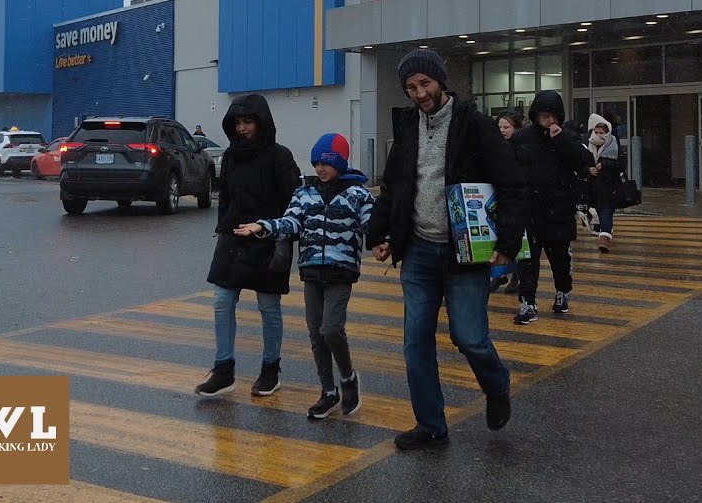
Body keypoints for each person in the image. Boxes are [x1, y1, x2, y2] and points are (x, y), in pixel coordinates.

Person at [367, 49, 527, 451]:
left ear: (441, 81)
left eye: (425, 83)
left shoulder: (475, 124)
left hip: (465, 253)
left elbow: (511, 184)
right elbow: (393, 186)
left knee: (469, 338)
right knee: (415, 343)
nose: (419, 93)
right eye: (411, 87)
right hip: (418, 250)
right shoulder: (407, 127)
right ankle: (431, 425)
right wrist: (379, 233)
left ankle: (497, 384)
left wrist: (508, 244)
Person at [234, 132, 373, 420]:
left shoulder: (358, 194)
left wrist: (383, 242)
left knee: (331, 329)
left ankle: (348, 377)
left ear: (341, 163)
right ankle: (328, 391)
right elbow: (291, 222)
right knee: (316, 334)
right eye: (317, 162)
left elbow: (373, 224)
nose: (321, 168)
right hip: (311, 271)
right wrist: (263, 226)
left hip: (341, 271)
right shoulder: (304, 193)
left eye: (327, 163)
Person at [196, 94, 301, 398]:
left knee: (268, 307)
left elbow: (295, 203)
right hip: (233, 239)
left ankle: (270, 369)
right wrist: (223, 227)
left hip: (267, 239)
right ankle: (223, 370)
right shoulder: (230, 156)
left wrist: (278, 233)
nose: (241, 128)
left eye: (248, 122)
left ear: (261, 123)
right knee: (222, 301)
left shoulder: (280, 157)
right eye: (237, 123)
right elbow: (225, 197)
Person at [511, 91, 593, 324]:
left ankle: (562, 292)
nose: (550, 121)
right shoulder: (521, 138)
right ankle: (528, 303)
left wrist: (562, 139)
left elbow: (585, 161)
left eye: (554, 116)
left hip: (560, 209)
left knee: (560, 259)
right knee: (527, 260)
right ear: (536, 116)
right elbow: (509, 168)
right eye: (545, 116)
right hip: (529, 210)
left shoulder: (568, 137)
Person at [492, 110, 528, 295]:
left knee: (518, 240)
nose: (502, 130)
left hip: (520, 202)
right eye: (499, 127)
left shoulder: (523, 148)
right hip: (498, 201)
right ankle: (499, 275)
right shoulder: (493, 148)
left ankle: (515, 277)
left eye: (506, 127)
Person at [587, 113, 621, 254]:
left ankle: (604, 239)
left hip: (609, 185)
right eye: (596, 132)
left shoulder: (613, 143)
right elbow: (581, 161)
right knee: (599, 211)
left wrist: (605, 164)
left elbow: (621, 164)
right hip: (592, 185)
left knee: (606, 210)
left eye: (601, 132)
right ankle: (604, 229)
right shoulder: (588, 143)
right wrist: (588, 169)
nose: (598, 135)